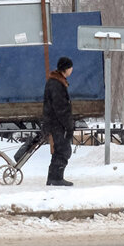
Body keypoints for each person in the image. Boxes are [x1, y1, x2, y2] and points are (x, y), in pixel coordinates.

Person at [44, 56, 75, 187]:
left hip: (54, 122)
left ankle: (53, 178)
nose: (72, 70)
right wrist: (68, 126)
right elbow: (61, 108)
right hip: (57, 124)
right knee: (64, 150)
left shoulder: (56, 81)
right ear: (66, 68)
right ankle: (56, 178)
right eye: (71, 67)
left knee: (59, 150)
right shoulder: (57, 84)